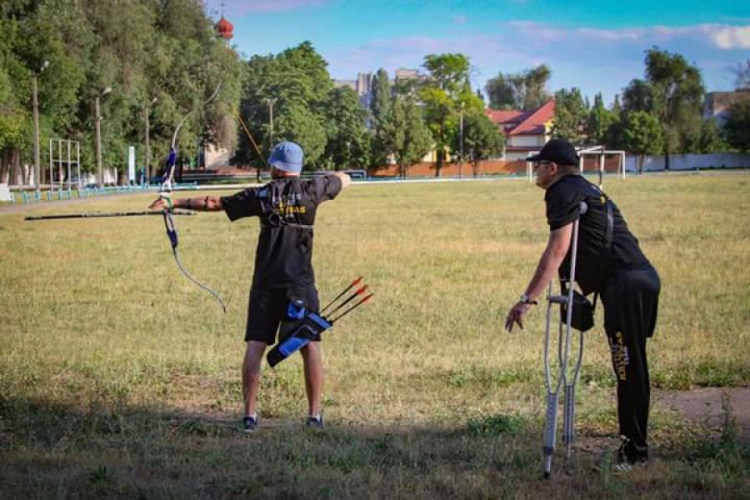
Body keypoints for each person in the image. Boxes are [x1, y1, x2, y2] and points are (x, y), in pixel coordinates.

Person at [149, 141, 351, 432]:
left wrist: (173, 202)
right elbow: (345, 178)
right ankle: (314, 415)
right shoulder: (313, 190)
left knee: (256, 345)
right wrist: (330, 176)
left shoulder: (262, 194)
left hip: (266, 285)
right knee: (310, 344)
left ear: (277, 168)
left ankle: (249, 416)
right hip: (300, 285)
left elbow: (213, 203)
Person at [504, 138, 660, 472]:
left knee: (627, 365)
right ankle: (634, 446)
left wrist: (527, 299)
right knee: (629, 366)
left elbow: (558, 249)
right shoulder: (586, 188)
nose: (535, 170)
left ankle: (635, 452)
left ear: (553, 168)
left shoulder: (562, 191)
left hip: (627, 285)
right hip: (636, 281)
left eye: (538, 165)